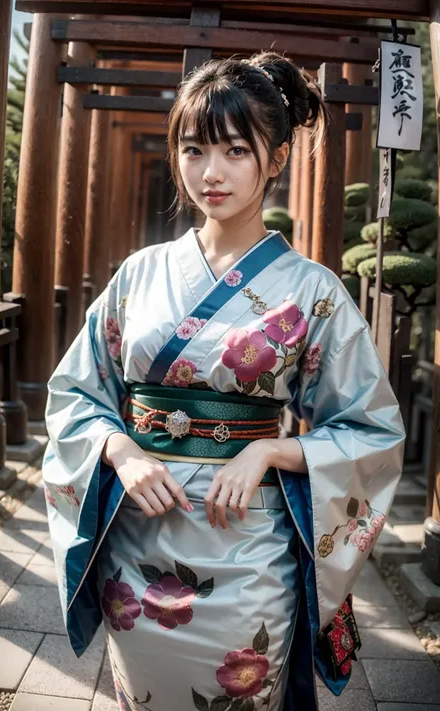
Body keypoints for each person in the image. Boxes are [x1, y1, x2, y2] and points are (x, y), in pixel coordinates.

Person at [43, 51, 405, 711]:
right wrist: (119, 449)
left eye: (236, 150)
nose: (211, 172)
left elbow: (370, 426)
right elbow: (75, 392)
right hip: (139, 540)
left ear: (276, 158)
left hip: (248, 546)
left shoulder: (314, 291)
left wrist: (270, 448)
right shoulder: (140, 273)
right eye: (194, 149)